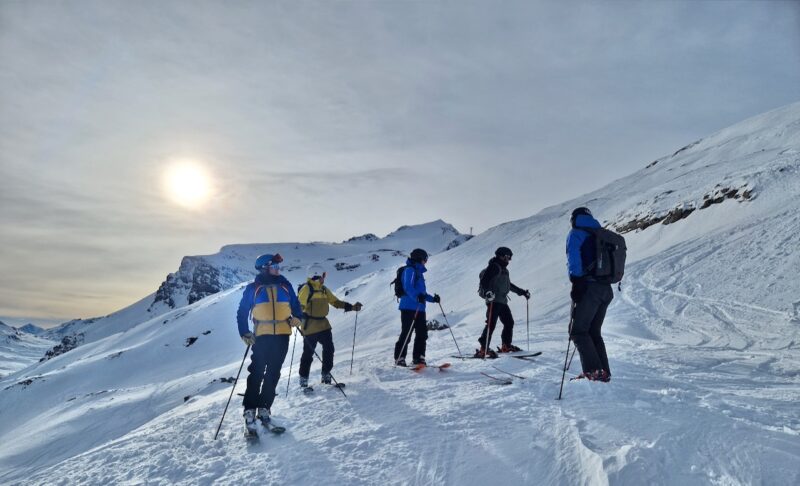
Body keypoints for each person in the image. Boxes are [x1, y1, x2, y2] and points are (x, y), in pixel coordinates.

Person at [237, 253, 303, 435]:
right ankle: (249, 409)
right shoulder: (253, 288)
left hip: (282, 335)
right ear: (264, 267)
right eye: (274, 266)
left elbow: (296, 306)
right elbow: (242, 312)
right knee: (257, 371)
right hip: (261, 336)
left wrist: (298, 317)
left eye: (277, 266)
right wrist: (244, 332)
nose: (277, 269)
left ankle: (265, 407)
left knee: (273, 372)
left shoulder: (285, 285)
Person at [296, 264, 363, 388]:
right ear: (317, 275)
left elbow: (335, 302)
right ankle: (303, 379)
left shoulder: (324, 289)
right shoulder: (307, 288)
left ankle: (326, 374)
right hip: (310, 326)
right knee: (308, 354)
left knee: (329, 349)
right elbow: (300, 305)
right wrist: (298, 316)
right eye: (323, 275)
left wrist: (352, 307)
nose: (324, 277)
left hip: (323, 325)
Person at [566, 207, 613, 382]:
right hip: (606, 289)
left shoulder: (576, 233)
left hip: (589, 287)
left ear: (574, 218)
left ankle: (594, 371)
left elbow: (574, 258)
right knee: (593, 331)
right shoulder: (600, 233)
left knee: (577, 332)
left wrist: (577, 282)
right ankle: (603, 372)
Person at [475, 247, 531, 358]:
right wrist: (488, 292)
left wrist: (522, 292)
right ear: (501, 256)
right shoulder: (494, 267)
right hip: (493, 300)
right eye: (507, 257)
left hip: (502, 301)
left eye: (510, 258)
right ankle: (483, 348)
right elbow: (484, 281)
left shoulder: (504, 270)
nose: (508, 260)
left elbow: (509, 285)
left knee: (509, 322)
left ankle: (506, 345)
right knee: (491, 324)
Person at [394, 248, 440, 367]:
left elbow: (422, 294)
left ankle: (419, 357)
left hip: (420, 308)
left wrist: (433, 299)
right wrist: (417, 297)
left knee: (422, 333)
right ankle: (400, 358)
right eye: (425, 259)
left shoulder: (418, 272)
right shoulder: (409, 270)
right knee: (407, 333)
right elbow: (407, 287)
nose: (426, 262)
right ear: (420, 258)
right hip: (408, 307)